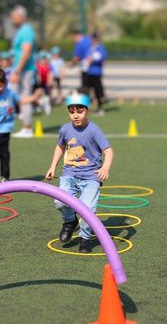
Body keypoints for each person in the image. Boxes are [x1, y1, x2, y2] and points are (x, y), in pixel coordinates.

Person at [45, 91, 114, 253]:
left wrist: (105, 167)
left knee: (87, 209)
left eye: (80, 111)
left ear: (87, 111)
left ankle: (85, 238)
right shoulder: (65, 129)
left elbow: (108, 151)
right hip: (70, 174)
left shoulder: (94, 130)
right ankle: (69, 221)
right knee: (59, 202)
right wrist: (52, 166)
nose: (76, 115)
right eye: (72, 111)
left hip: (91, 177)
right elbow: (60, 146)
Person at [0, 68, 42, 182]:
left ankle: (5, 177)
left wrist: (33, 97)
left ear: (5, 83)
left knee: (4, 154)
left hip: (4, 130)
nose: (0, 88)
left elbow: (21, 101)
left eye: (1, 85)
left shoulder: (10, 93)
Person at [9, 5, 37, 137]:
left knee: (24, 97)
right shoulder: (22, 31)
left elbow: (26, 52)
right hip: (21, 70)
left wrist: (17, 71)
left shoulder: (26, 31)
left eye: (14, 15)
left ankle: (27, 128)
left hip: (25, 71)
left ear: (21, 16)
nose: (12, 17)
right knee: (15, 97)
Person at [85, 32, 107, 115]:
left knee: (98, 91)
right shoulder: (90, 48)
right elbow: (87, 57)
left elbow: (101, 58)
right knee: (87, 90)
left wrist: (93, 59)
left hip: (96, 72)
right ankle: (86, 107)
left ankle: (100, 108)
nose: (92, 40)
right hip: (89, 72)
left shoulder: (100, 48)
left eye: (93, 38)